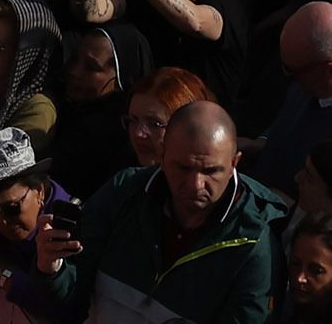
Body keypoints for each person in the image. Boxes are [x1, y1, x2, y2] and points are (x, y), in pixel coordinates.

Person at [27, 101, 290, 319]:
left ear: (235, 162)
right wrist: (51, 267)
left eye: (211, 171)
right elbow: (70, 295)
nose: (196, 184)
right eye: (183, 168)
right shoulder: (124, 192)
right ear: (162, 155)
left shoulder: (255, 241)